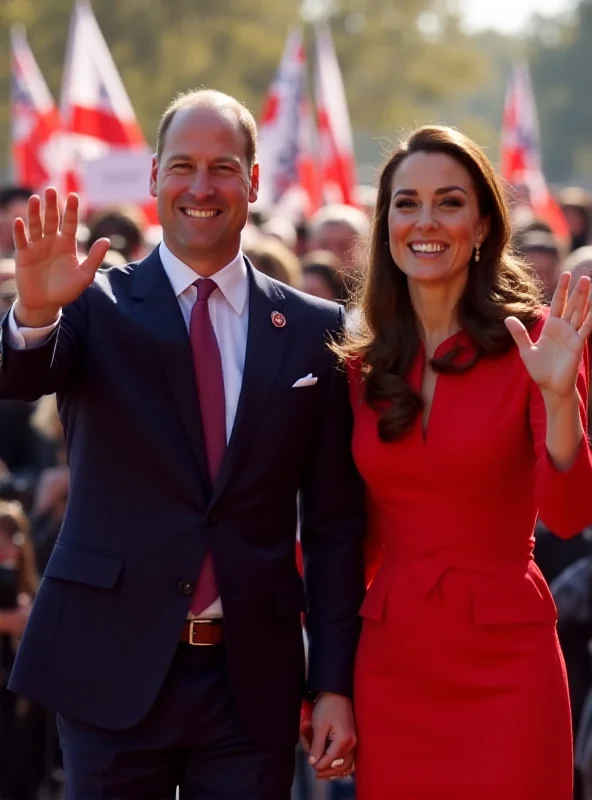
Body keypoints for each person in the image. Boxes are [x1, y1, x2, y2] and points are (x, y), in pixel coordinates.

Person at [0, 89, 365, 800]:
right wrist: (36, 312)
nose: (202, 187)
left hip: (249, 681)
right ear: (154, 178)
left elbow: (333, 529)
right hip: (108, 662)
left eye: (224, 167)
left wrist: (332, 684)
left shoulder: (319, 329)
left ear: (254, 181)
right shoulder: (91, 302)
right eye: (184, 166)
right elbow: (21, 376)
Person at [339, 125, 592, 799]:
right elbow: (345, 541)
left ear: (482, 224)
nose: (426, 221)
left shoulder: (538, 343)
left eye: (449, 202)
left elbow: (568, 517)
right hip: (393, 663)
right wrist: (323, 686)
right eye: (406, 203)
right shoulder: (360, 367)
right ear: (385, 222)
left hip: (509, 666)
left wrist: (561, 397)